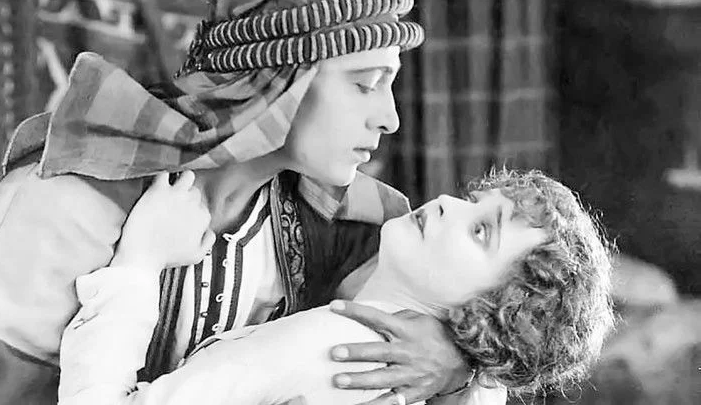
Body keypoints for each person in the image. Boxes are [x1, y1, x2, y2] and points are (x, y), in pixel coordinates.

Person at [0, 0, 478, 404]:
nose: (390, 119)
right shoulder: (71, 203)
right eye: (366, 84)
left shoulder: (343, 224)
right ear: (278, 85)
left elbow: (475, 303)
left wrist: (455, 360)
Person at [56, 169, 614, 405]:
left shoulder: (337, 350)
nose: (448, 203)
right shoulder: (392, 369)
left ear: (491, 311)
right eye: (474, 201)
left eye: (480, 231)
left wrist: (138, 262)